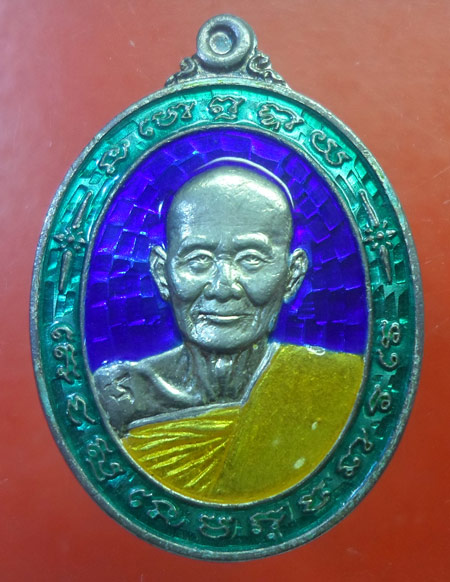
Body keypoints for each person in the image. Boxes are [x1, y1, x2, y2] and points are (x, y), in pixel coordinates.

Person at [94, 164, 364, 503]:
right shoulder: (120, 398)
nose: (223, 288)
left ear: (292, 275)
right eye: (198, 260)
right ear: (162, 274)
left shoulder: (341, 386)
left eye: (251, 259)